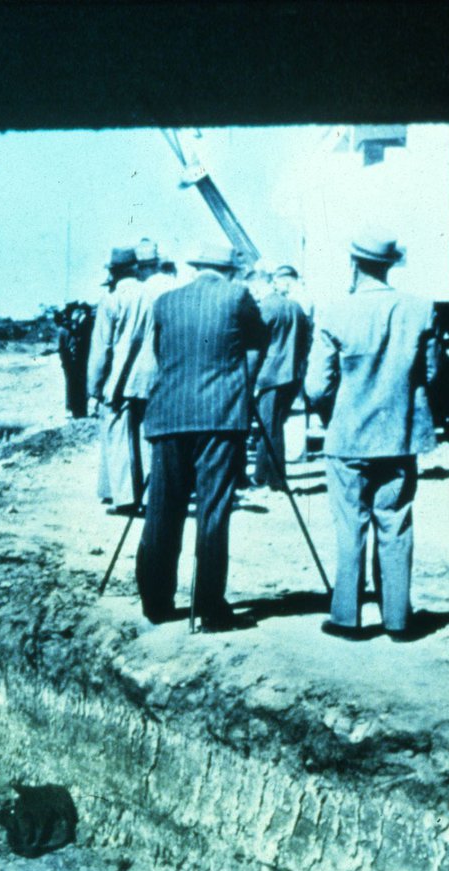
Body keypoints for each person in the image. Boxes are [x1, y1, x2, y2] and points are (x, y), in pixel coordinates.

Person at [305, 232, 439, 642]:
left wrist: (337, 413)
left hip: (347, 438)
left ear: (354, 264)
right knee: (395, 523)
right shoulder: (420, 309)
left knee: (351, 527)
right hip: (398, 437)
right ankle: (398, 620)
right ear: (389, 265)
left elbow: (315, 387)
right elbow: (430, 373)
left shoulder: (334, 312)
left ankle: (347, 618)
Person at [135, 242, 269, 630]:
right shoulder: (237, 295)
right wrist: (242, 382)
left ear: (197, 267)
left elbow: (162, 353)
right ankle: (209, 606)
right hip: (220, 416)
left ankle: (156, 603)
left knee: (162, 509)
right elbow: (259, 341)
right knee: (213, 511)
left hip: (169, 415)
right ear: (229, 270)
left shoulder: (165, 301)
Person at [86, 247, 147, 509]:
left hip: (120, 378)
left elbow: (101, 350)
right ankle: (148, 494)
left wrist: (93, 389)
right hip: (150, 378)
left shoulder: (111, 299)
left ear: (113, 272)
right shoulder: (151, 295)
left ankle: (124, 498)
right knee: (144, 438)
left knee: (118, 436)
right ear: (135, 268)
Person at [248, 266, 311, 493]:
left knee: (270, 427)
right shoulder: (295, 306)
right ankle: (261, 475)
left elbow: (256, 345)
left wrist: (251, 379)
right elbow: (307, 339)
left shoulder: (265, 308)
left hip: (270, 377)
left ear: (257, 285)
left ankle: (276, 480)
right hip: (292, 375)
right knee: (273, 425)